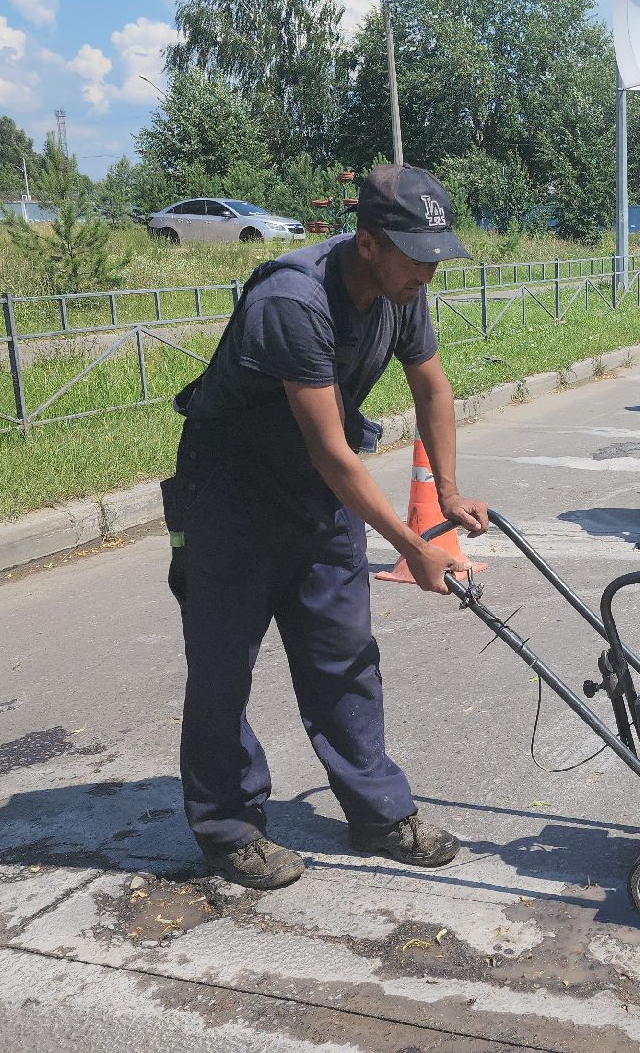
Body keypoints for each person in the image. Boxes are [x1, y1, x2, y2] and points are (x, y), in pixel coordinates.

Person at [161, 165, 488, 890]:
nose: (429, 270)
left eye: (436, 253)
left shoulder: (405, 289)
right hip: (231, 498)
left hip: (316, 497)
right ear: (367, 243)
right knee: (222, 670)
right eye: (415, 252)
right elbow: (332, 452)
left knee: (344, 655)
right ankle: (227, 827)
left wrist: (452, 495)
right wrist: (413, 546)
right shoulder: (291, 298)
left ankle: (378, 814)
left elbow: (431, 384)